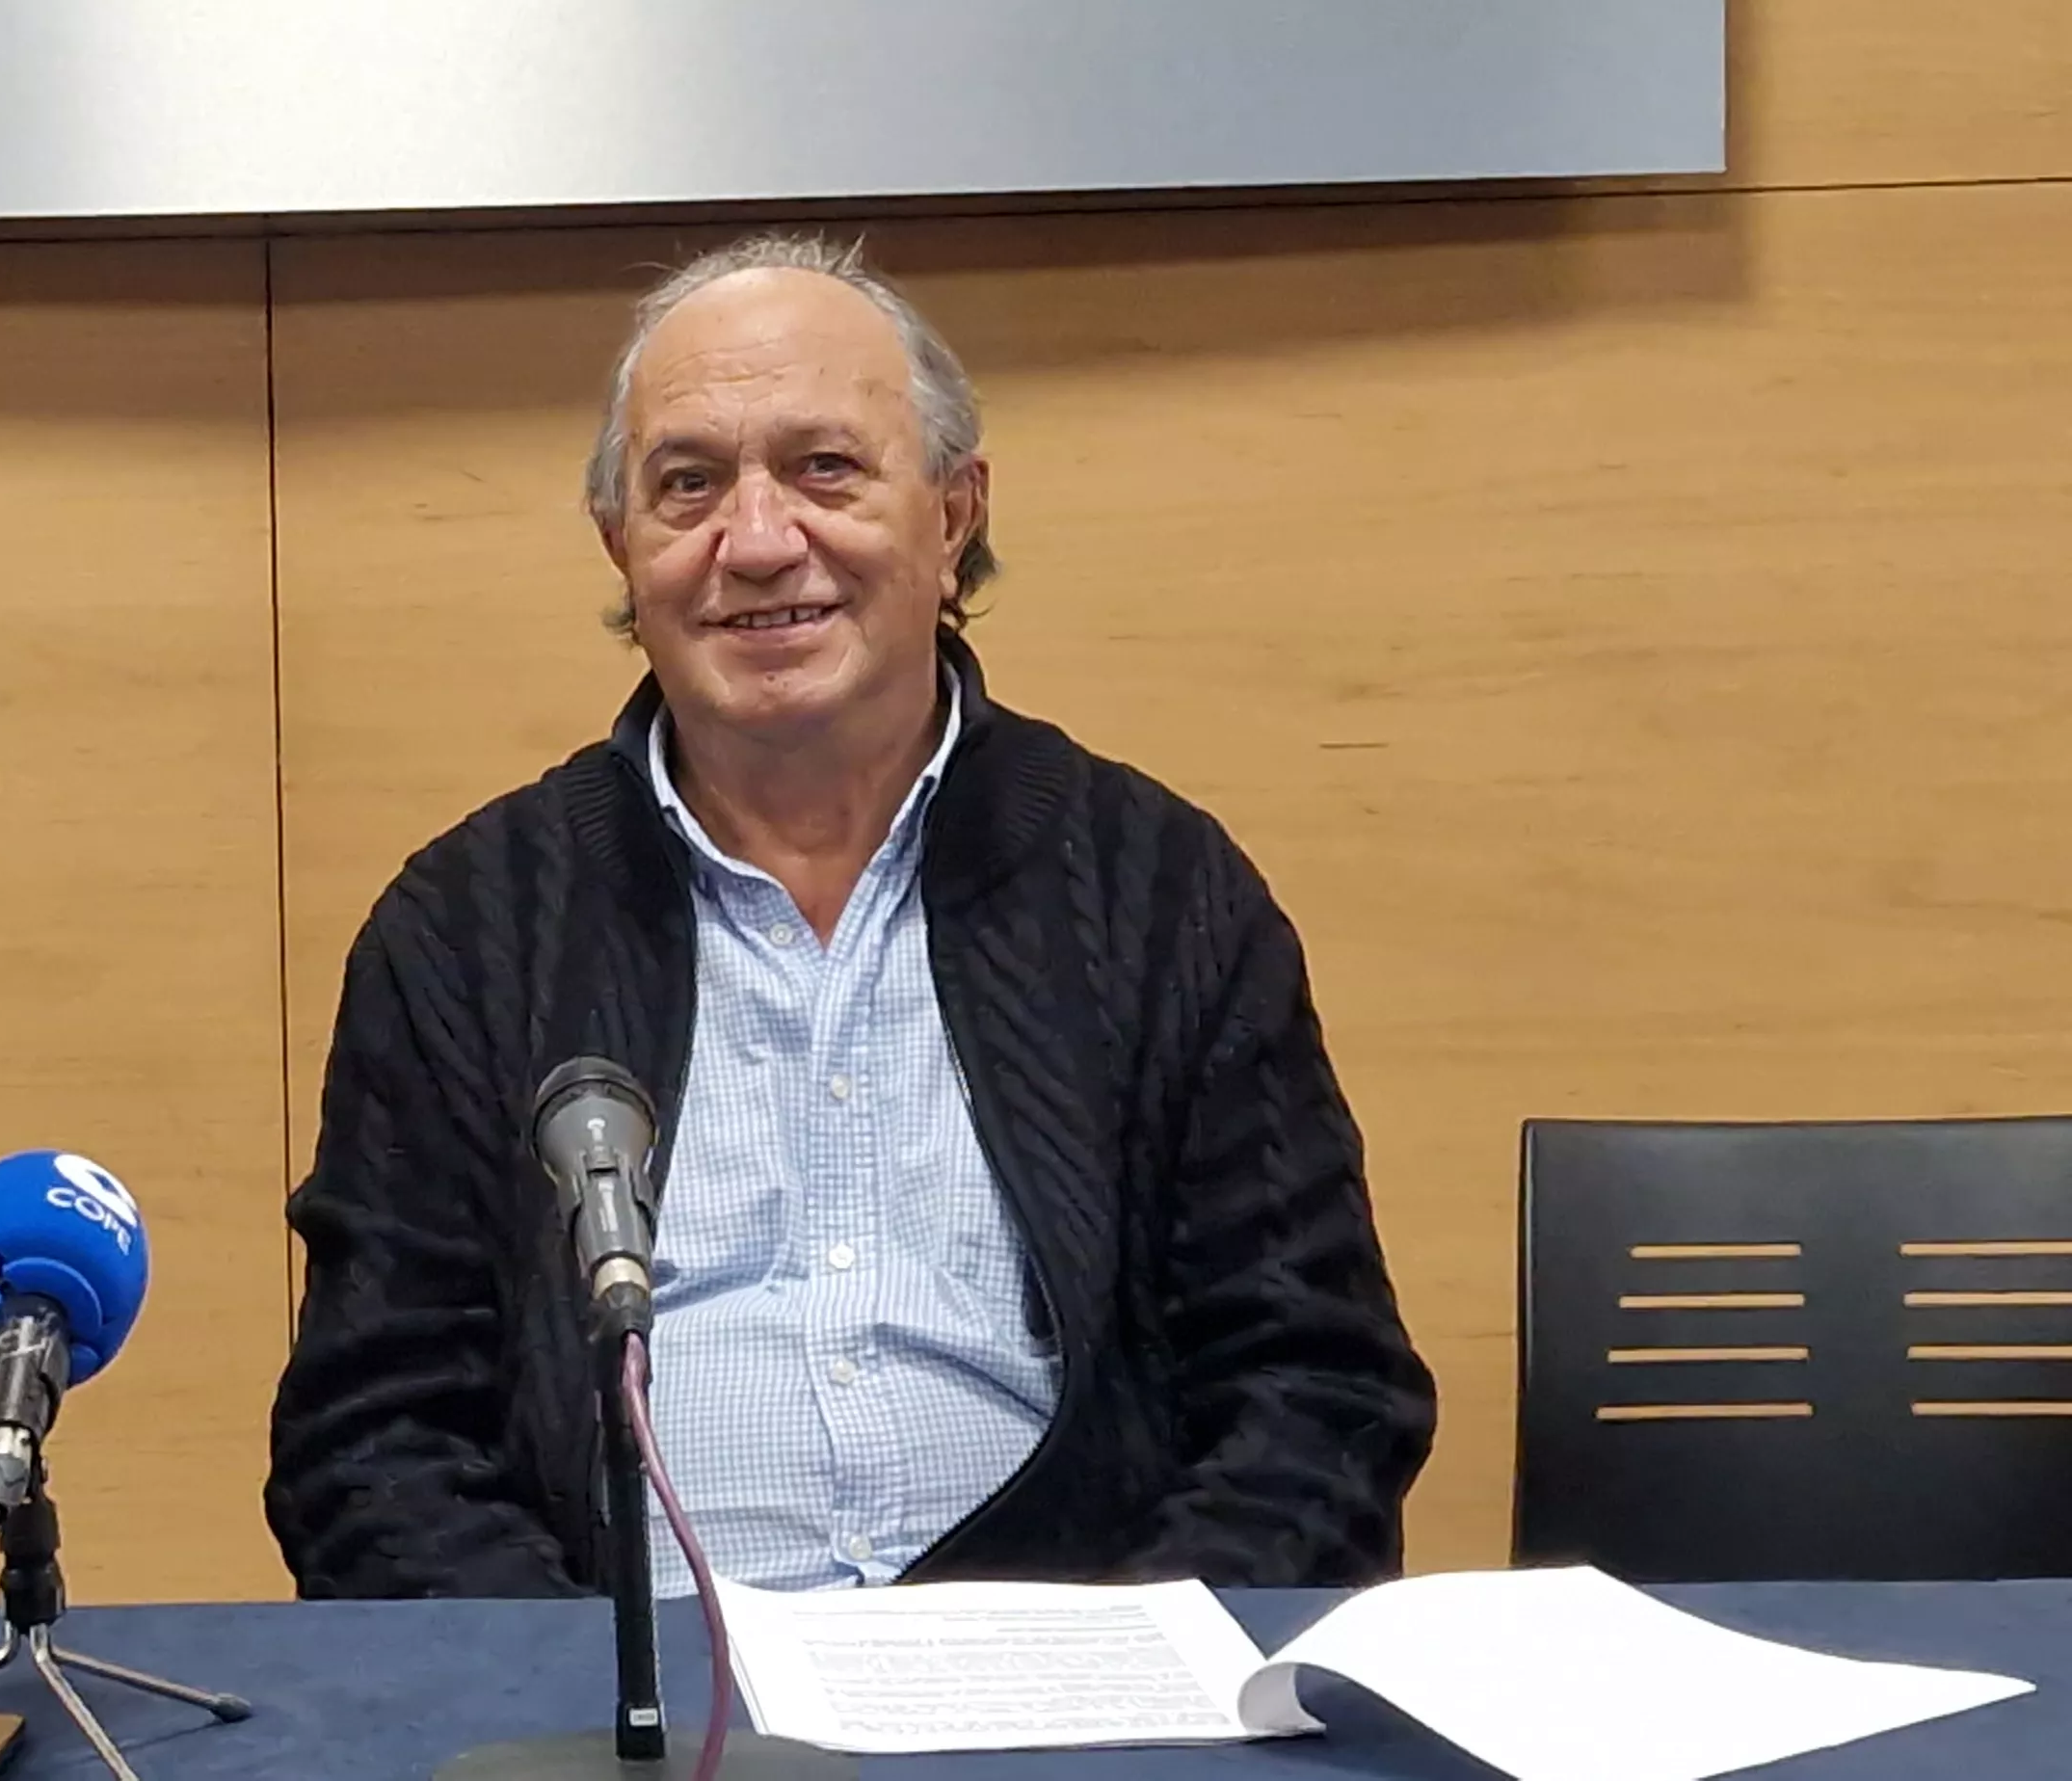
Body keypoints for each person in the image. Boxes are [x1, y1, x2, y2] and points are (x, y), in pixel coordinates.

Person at [267, 234, 1436, 1601]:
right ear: (621, 551)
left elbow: (1318, 1390)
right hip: (633, 1709)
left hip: (1069, 1697)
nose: (758, 543)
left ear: (952, 519)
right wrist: (599, 1696)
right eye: (687, 485)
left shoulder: (1158, 890)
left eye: (825, 468)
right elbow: (370, 1441)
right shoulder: (466, 928)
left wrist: (1128, 1681)